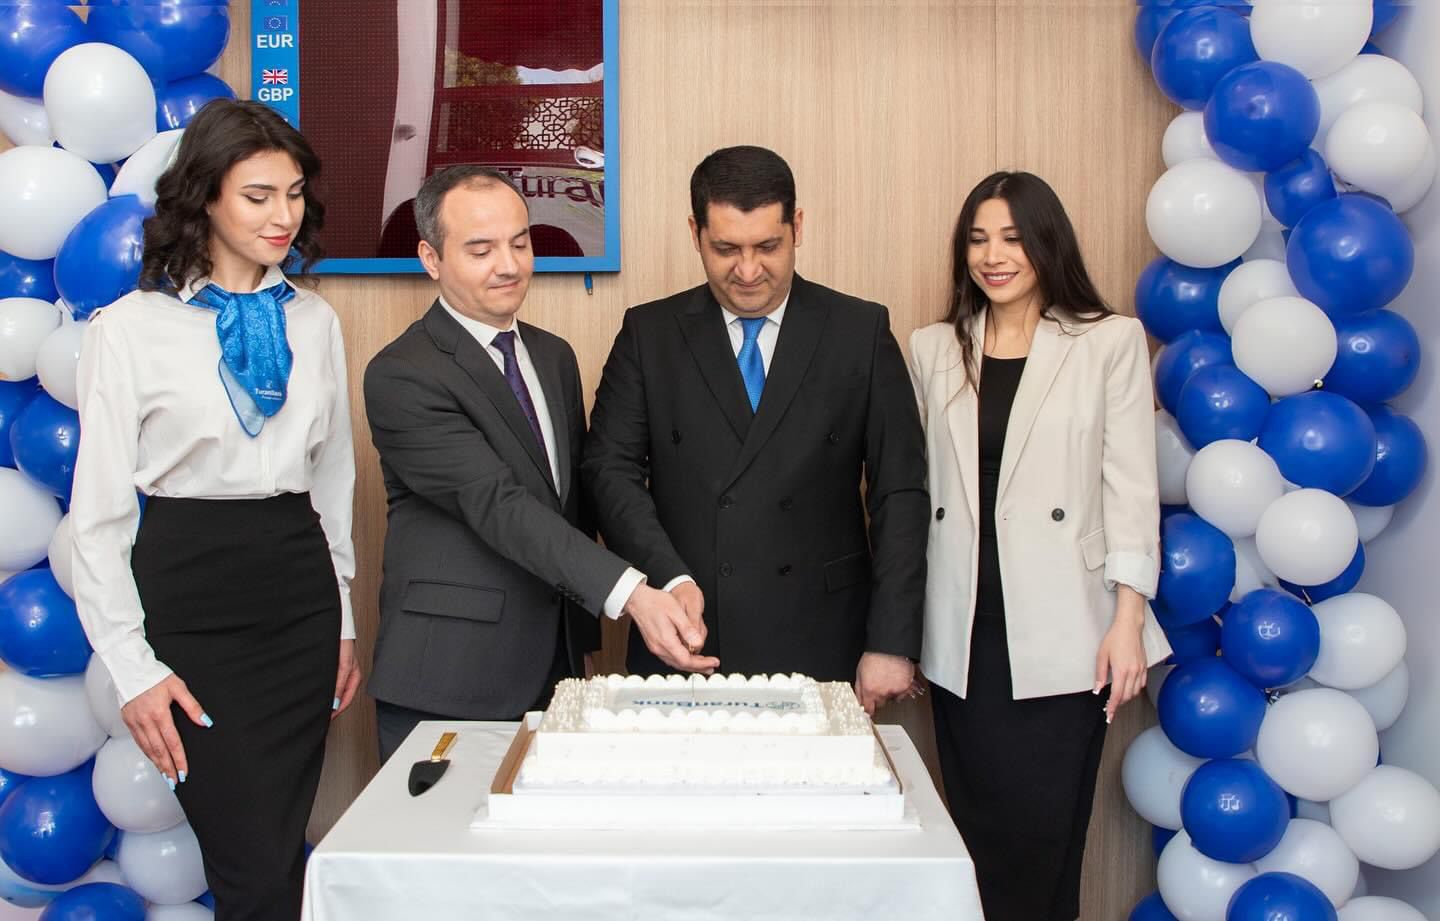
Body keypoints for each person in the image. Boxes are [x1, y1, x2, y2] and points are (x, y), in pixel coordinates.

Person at [69, 99, 360, 921]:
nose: (283, 216)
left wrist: (342, 617)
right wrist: (133, 668)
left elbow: (333, 481)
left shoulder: (315, 320)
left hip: (298, 596)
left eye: (293, 194)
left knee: (276, 853)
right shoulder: (128, 329)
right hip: (190, 596)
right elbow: (97, 517)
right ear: (204, 198)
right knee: (254, 870)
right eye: (258, 196)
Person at [363, 166, 716, 763]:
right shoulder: (403, 373)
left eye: (520, 243)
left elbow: (574, 504)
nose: (509, 265)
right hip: (448, 676)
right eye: (481, 250)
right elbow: (497, 504)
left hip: (555, 671)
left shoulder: (553, 357)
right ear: (431, 258)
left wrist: (656, 588)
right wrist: (632, 595)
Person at [907, 171, 1171, 921]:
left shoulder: (1108, 340)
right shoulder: (933, 347)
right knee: (976, 841)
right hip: (962, 634)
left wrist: (1127, 620)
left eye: (1013, 238)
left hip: (1069, 630)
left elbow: (1130, 487)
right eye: (978, 239)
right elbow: (913, 493)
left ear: (1047, 243)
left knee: (1046, 839)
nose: (993, 256)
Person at [582, 145, 928, 713]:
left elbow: (901, 492)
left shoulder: (859, 330)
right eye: (726, 249)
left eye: (768, 246)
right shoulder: (650, 334)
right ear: (695, 233)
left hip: (825, 636)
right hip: (686, 633)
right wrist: (668, 580)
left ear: (797, 227)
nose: (747, 271)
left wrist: (892, 639)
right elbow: (608, 472)